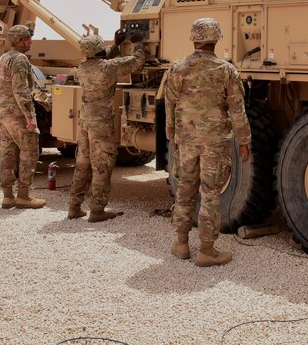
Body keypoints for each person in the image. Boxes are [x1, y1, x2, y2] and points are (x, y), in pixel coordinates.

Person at [163, 17, 251, 266]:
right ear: (216, 39)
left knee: (185, 189)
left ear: (194, 39)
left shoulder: (177, 68)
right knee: (211, 193)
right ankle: (206, 250)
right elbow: (237, 110)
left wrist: (173, 135)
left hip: (186, 141)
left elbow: (170, 104)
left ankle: (180, 243)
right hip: (214, 143)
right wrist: (243, 141)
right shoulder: (226, 70)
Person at [67, 28, 146, 222]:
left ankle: (74, 207)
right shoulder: (109, 68)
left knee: (83, 164)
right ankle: (97, 210)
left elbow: (102, 60)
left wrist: (116, 45)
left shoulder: (82, 68)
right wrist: (138, 44)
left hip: (85, 121)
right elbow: (137, 61)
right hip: (101, 123)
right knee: (102, 165)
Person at [0, 24, 46, 209]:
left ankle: (7, 196)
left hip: (3, 112)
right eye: (27, 38)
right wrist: (30, 117)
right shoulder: (20, 59)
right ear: (19, 40)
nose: (30, 41)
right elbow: (21, 91)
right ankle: (24, 196)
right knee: (30, 151)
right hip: (17, 113)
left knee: (7, 152)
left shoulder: (3, 57)